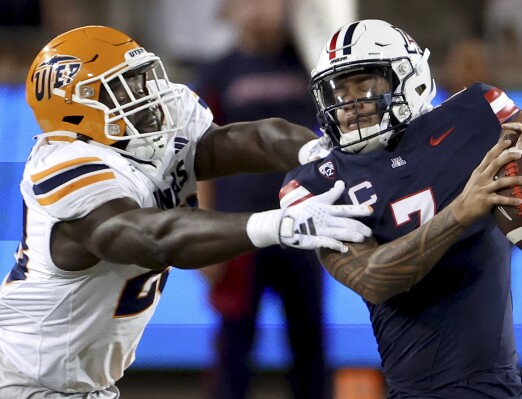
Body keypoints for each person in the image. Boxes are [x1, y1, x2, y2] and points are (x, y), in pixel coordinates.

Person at [0, 25, 373, 399]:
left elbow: (239, 140)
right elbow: (152, 237)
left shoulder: (154, 130)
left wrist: (320, 156)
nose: (148, 95)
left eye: (142, 79)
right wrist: (278, 224)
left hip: (82, 384)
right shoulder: (66, 163)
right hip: (19, 380)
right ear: (77, 109)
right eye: (123, 88)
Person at [280, 19, 522, 398]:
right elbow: (371, 278)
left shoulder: (474, 118)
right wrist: (461, 211)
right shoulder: (322, 181)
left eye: (364, 87)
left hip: (493, 386)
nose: (349, 106)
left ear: (408, 79)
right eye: (338, 92)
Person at [192, 1, 328, 398]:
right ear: (229, 10)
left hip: (307, 232)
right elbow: (198, 161)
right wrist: (205, 238)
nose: (258, 9)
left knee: (309, 345)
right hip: (239, 236)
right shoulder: (219, 72)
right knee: (233, 350)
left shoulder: (310, 65)